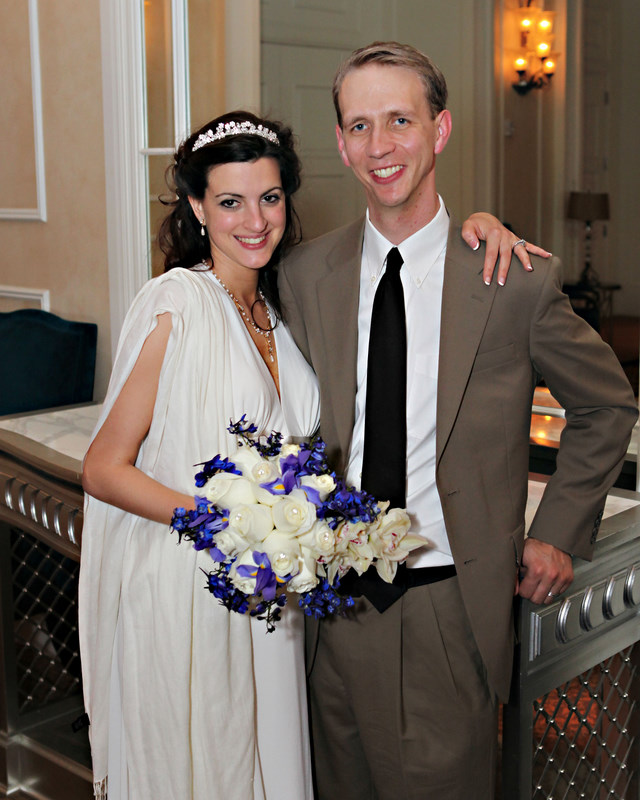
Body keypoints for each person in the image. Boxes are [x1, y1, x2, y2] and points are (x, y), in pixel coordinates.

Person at [78, 109, 524, 800]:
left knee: (267, 766)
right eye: (230, 202)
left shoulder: (286, 303)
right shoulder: (178, 304)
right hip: (190, 587)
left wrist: (482, 227)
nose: (254, 220)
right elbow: (104, 468)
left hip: (273, 593)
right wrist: (229, 522)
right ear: (197, 206)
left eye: (269, 197)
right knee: (204, 763)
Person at [278, 42, 638, 800]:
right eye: (360, 126)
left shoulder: (510, 278)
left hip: (444, 605)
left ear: (439, 130)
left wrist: (558, 531)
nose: (380, 145)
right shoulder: (305, 274)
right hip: (327, 613)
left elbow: (607, 405)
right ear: (341, 143)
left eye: (400, 120)